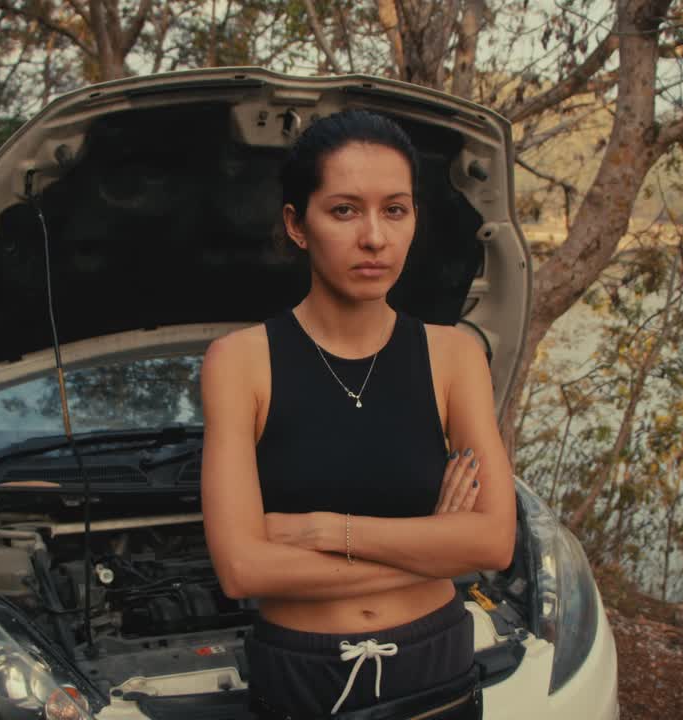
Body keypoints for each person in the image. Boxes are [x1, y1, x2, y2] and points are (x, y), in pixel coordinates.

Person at [200, 109, 516, 718]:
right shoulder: (239, 363)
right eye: (344, 210)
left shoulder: (454, 356)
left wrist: (326, 532)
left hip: (436, 664)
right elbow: (242, 570)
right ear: (297, 225)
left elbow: (494, 541)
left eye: (395, 210)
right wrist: (435, 550)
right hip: (301, 677)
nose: (374, 237)